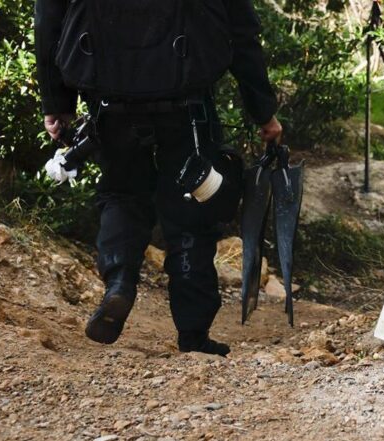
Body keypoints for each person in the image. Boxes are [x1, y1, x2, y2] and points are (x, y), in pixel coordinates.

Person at [34, 0, 282, 357]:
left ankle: (119, 284)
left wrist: (55, 102)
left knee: (121, 193)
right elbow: (240, 29)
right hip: (186, 99)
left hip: (108, 96)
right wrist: (263, 113)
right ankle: (194, 335)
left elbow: (48, 20)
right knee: (191, 207)